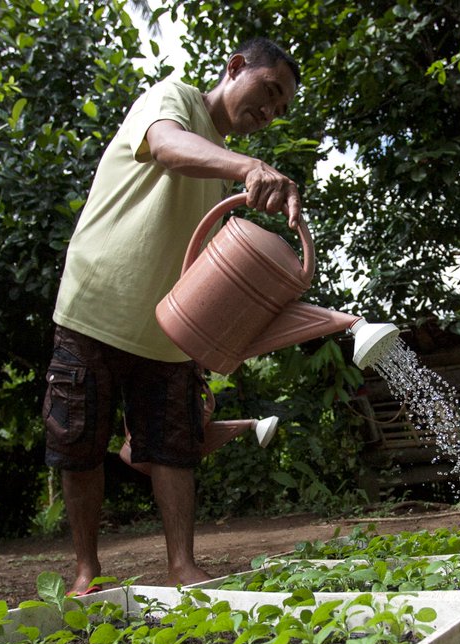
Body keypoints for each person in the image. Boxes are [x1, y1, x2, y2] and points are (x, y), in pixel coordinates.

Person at [44, 37, 302, 595]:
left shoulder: (228, 172)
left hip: (169, 329)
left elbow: (212, 265)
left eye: (280, 109)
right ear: (235, 67)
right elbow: (165, 146)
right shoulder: (174, 100)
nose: (269, 111)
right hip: (97, 305)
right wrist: (247, 166)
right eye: (269, 91)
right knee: (79, 440)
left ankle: (182, 565)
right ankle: (87, 569)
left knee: (175, 449)